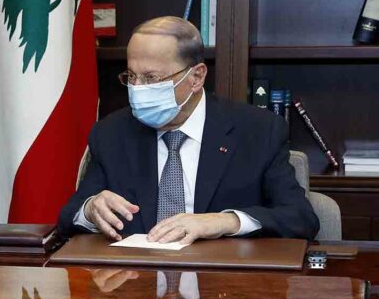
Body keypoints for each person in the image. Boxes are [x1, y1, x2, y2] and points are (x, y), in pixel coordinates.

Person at [57, 16, 318, 244]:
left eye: (151, 78)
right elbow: (69, 217)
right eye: (131, 76)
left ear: (196, 77)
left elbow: (300, 218)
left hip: (225, 287)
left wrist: (223, 222)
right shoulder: (112, 134)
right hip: (135, 284)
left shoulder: (259, 131)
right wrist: (91, 209)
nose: (137, 88)